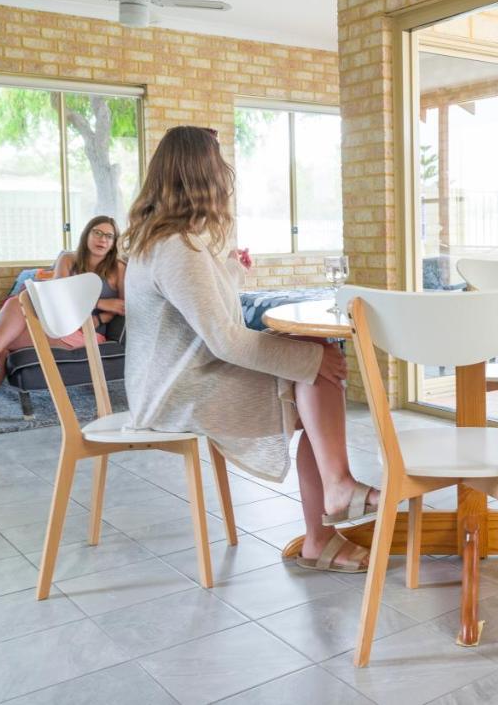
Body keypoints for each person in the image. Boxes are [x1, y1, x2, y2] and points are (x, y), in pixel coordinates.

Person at [122, 125, 377, 573]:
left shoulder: (169, 241)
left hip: (176, 380)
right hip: (174, 394)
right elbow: (224, 339)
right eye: (220, 169)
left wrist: (230, 272)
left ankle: (331, 511)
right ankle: (330, 509)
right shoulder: (176, 248)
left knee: (313, 375)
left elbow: (205, 316)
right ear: (205, 178)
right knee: (313, 368)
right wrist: (311, 358)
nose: (225, 180)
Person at [0, 216, 125, 428]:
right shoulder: (69, 260)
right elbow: (59, 298)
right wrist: (104, 303)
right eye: (97, 233)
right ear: (87, 234)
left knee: (2, 346)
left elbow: (123, 306)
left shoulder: (118, 268)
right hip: (55, 323)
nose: (102, 240)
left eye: (109, 236)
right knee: (17, 303)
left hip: (86, 332)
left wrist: (99, 316)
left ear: (115, 241)